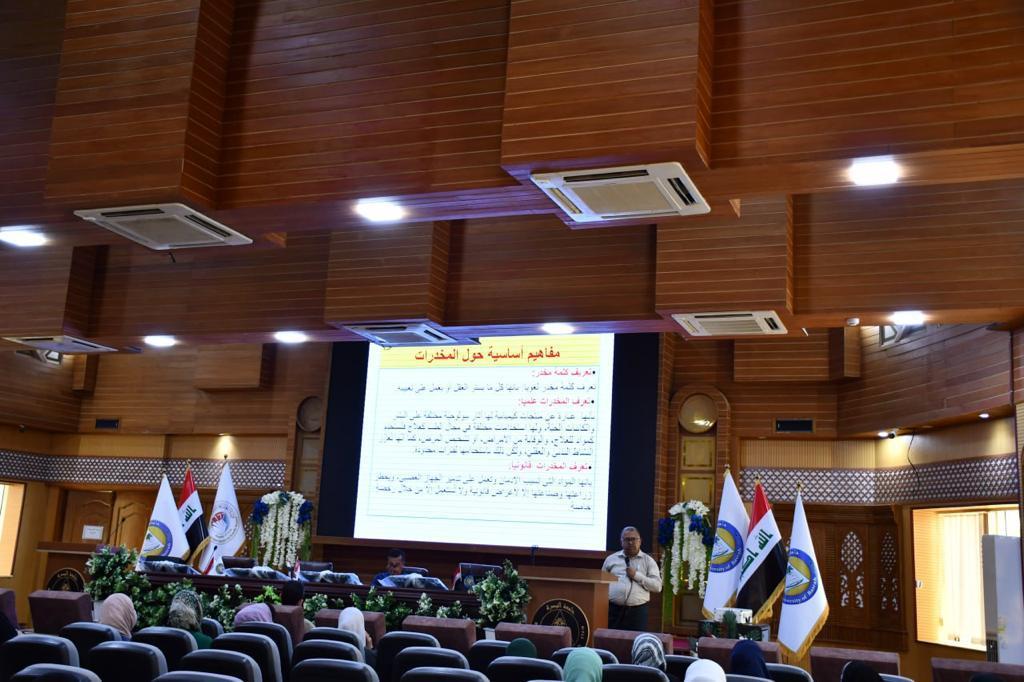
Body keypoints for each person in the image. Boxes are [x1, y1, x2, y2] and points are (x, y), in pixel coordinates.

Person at [602, 525, 662, 631]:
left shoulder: (648, 561)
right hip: (613, 611)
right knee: (611, 639)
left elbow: (657, 587)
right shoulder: (611, 560)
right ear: (621, 541)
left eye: (633, 539)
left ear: (640, 541)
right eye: (627, 539)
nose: (630, 542)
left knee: (635, 640)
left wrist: (636, 576)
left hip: (637, 612)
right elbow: (601, 584)